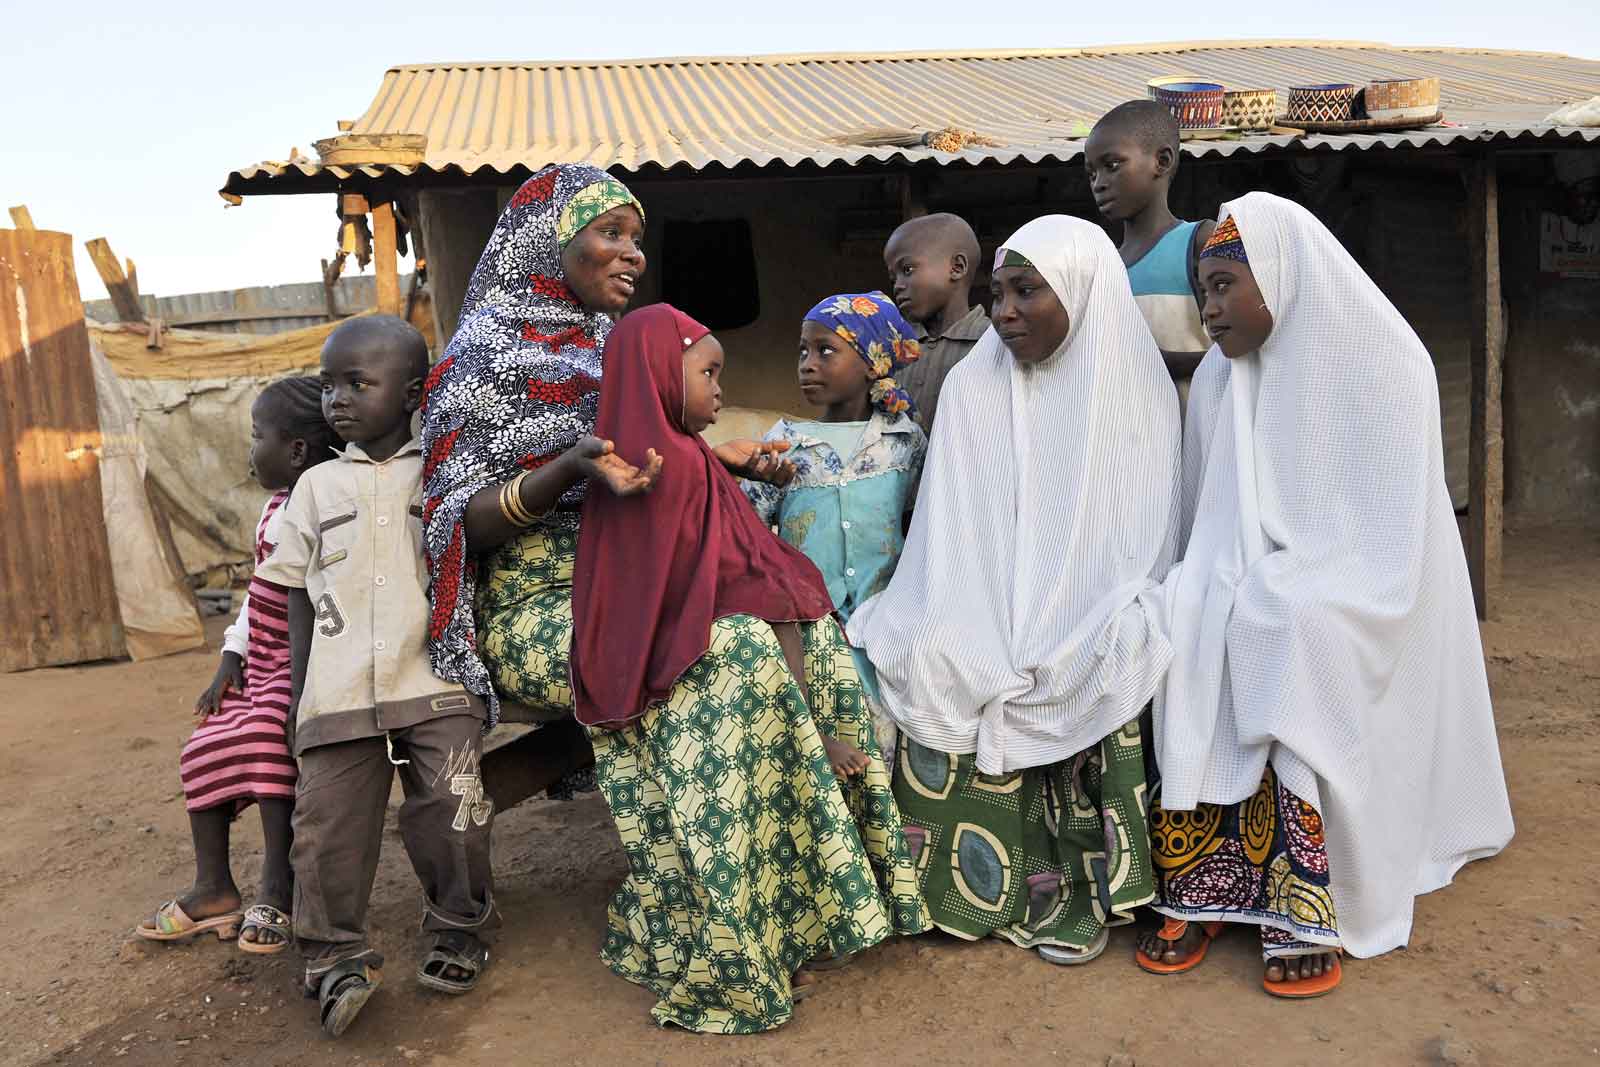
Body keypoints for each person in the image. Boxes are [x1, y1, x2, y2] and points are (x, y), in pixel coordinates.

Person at [1136, 193, 1514, 998]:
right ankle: (1205, 879)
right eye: (1202, 290)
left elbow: (1390, 537)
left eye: (1225, 285)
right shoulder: (1214, 381)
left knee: (1291, 625)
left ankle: (1300, 899)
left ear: (1280, 277)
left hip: (1366, 583)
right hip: (1257, 573)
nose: (1209, 309)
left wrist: (1281, 579)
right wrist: (1218, 583)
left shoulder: (1385, 362)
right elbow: (1208, 519)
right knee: (1185, 615)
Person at [571, 303, 929, 1034]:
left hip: (651, 664)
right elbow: (740, 580)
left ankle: (796, 913)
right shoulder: (655, 466)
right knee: (778, 659)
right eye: (707, 374)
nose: (716, 390)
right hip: (676, 672)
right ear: (656, 376)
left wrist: (722, 461)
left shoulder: (673, 453)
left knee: (803, 637)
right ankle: (771, 928)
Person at [848, 216, 1181, 966]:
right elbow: (954, 537)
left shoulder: (1133, 389)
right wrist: (988, 623)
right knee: (929, 651)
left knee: (1116, 645)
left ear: (1082, 289)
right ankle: (951, 889)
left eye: (1027, 291)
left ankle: (1080, 883)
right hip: (980, 596)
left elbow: (1139, 545)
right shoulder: (973, 383)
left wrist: (1058, 621)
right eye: (998, 293)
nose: (1004, 312)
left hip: (1092, 600)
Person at [419, 163, 794, 737]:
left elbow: (631, 469)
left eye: (637, 241)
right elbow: (456, 521)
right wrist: (566, 469)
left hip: (631, 575)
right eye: (611, 233)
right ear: (546, 237)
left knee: (804, 623)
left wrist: (715, 460)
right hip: (530, 599)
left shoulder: (611, 351)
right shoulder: (478, 362)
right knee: (727, 651)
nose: (634, 255)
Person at [256, 315, 497, 1037]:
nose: (337, 399)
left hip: (434, 675)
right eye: (329, 384)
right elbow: (297, 592)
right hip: (336, 690)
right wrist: (301, 698)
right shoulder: (314, 487)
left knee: (455, 809)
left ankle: (459, 923)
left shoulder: (446, 474)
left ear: (413, 392)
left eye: (356, 383)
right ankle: (333, 953)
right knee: (325, 827)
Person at [137, 376, 339, 953]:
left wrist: (298, 691)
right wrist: (231, 654)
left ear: (295, 450)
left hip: (306, 665)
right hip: (266, 660)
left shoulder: (319, 507)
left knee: (266, 745)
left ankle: (278, 887)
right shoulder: (272, 510)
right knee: (202, 744)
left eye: (257, 437)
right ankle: (215, 887)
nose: (250, 451)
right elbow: (258, 594)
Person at [742, 291, 927, 766]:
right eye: (802, 351)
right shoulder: (784, 447)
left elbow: (924, 530)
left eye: (826, 350)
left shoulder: (904, 444)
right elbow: (749, 541)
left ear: (871, 363)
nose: (807, 364)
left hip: (886, 638)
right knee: (811, 760)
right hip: (807, 641)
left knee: (882, 760)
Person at [1086, 101, 1214, 395]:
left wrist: (1153, 360)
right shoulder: (1105, 266)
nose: (1099, 183)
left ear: (1162, 161)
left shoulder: (1198, 241)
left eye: (1112, 166)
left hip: (1198, 430)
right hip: (1135, 436)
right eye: (1091, 173)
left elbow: (1239, 351)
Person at [883, 213, 989, 435]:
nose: (898, 286)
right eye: (894, 278)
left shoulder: (992, 343)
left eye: (907, 270)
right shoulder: (892, 351)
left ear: (957, 267)